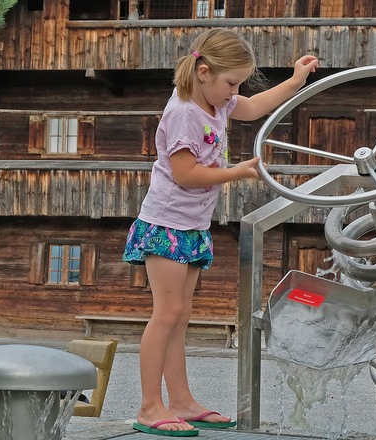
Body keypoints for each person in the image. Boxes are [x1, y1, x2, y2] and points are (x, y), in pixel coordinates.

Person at [122, 28, 318, 436]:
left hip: (192, 225)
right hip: (166, 224)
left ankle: (181, 402)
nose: (235, 93)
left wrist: (295, 80)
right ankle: (148, 406)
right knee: (167, 314)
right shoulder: (183, 113)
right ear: (205, 72)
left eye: (238, 84)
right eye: (231, 83)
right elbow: (186, 173)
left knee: (181, 315)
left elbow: (254, 106)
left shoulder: (217, 104)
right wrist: (238, 171)